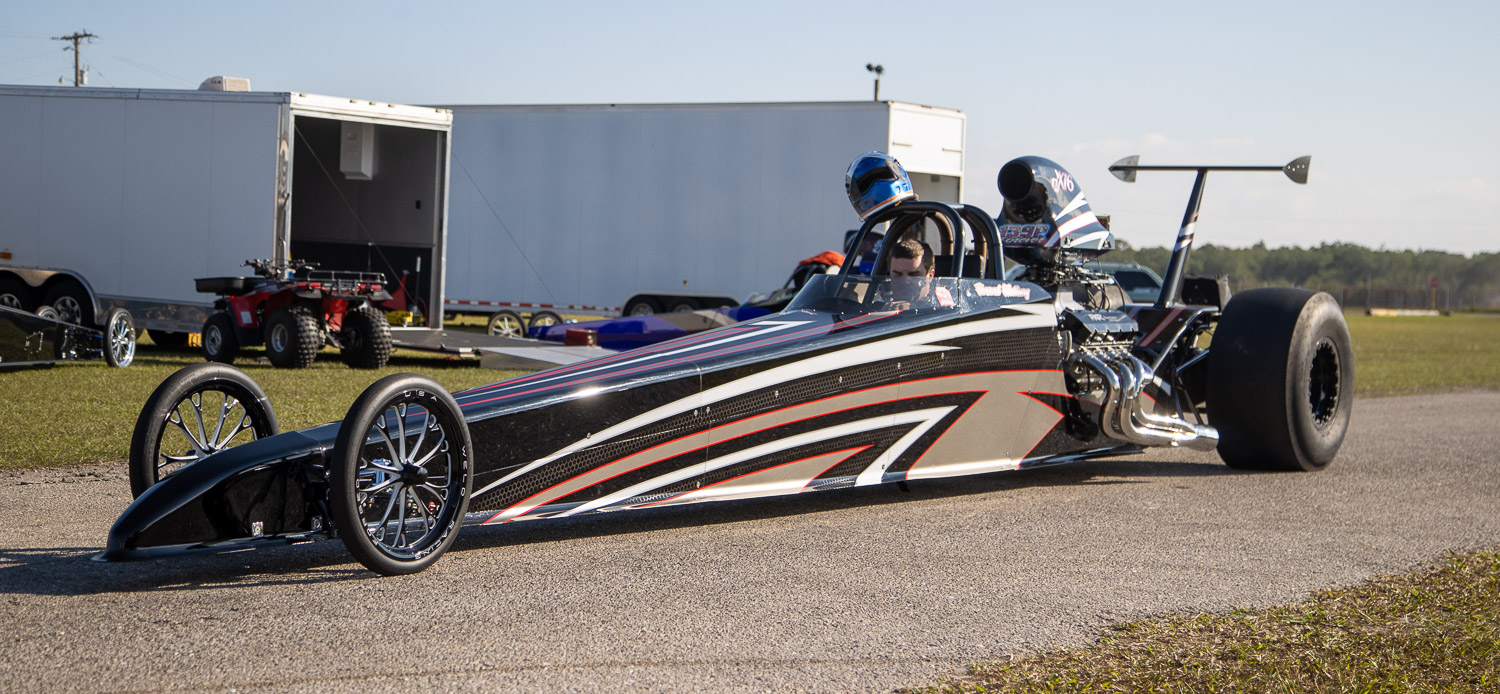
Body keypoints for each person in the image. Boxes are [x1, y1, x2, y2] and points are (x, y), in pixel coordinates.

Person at [882, 238, 935, 311]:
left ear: (930, 276)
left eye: (914, 275)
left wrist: (916, 308)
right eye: (898, 275)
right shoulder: (879, 307)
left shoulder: (942, 308)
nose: (905, 282)